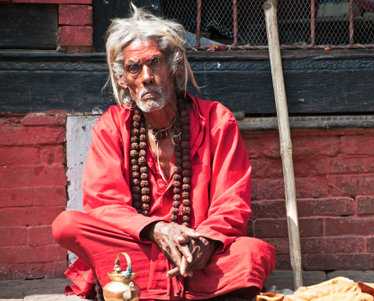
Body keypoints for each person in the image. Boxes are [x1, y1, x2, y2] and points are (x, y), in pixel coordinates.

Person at [51, 5, 275, 301]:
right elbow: (104, 205)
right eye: (134, 68)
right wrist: (157, 230)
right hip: (138, 247)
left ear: (174, 66)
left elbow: (232, 204)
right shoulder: (111, 127)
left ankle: (151, 288)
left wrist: (203, 244)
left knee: (253, 253)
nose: (146, 77)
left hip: (199, 254)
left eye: (154, 63)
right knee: (67, 224)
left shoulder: (217, 120)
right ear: (122, 80)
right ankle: (183, 288)